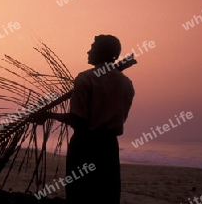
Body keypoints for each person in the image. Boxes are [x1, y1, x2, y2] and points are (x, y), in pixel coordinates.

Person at [34, 35, 135, 203]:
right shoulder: (126, 84)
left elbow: (79, 121)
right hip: (109, 148)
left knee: (80, 194)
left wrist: (48, 115)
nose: (89, 51)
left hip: (85, 146)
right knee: (106, 195)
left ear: (102, 52)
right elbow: (119, 117)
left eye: (93, 47)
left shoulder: (85, 78)